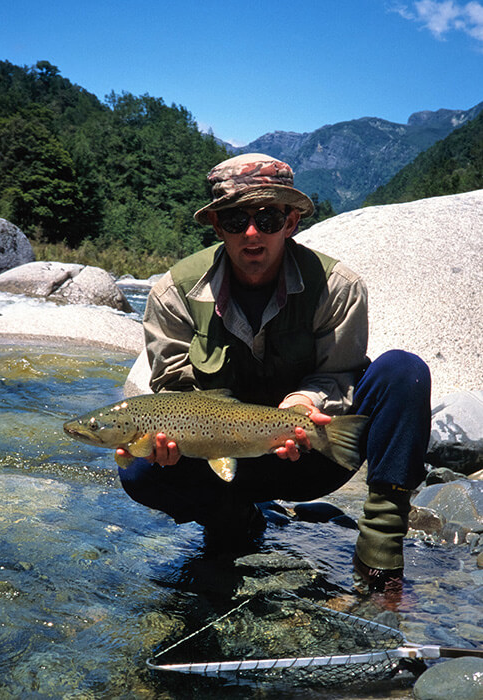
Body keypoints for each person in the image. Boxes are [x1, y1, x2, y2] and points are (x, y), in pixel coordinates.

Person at [118, 153, 431, 593]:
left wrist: (305, 404)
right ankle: (231, 521)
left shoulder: (337, 286)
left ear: (291, 222)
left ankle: (380, 546)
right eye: (233, 219)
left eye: (266, 218)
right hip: (222, 458)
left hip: (310, 451)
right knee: (137, 468)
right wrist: (167, 446)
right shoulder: (175, 293)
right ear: (216, 226)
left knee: (403, 371)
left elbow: (339, 372)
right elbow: (174, 391)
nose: (250, 233)